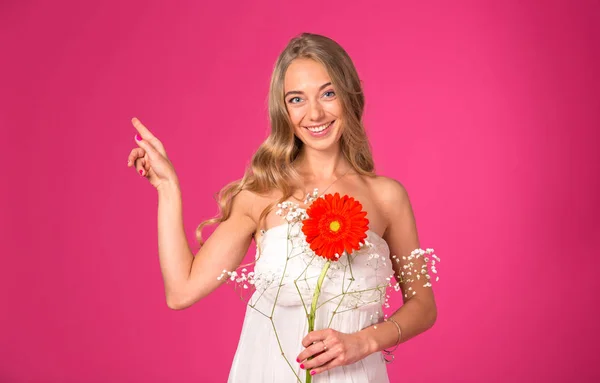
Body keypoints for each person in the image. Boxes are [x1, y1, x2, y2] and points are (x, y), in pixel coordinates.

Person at [127, 33, 437, 382]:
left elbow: (424, 307)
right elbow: (181, 292)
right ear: (283, 109)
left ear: (350, 94)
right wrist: (168, 189)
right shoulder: (261, 195)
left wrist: (363, 342)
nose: (315, 113)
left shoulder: (387, 196)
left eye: (328, 93)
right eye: (296, 99)